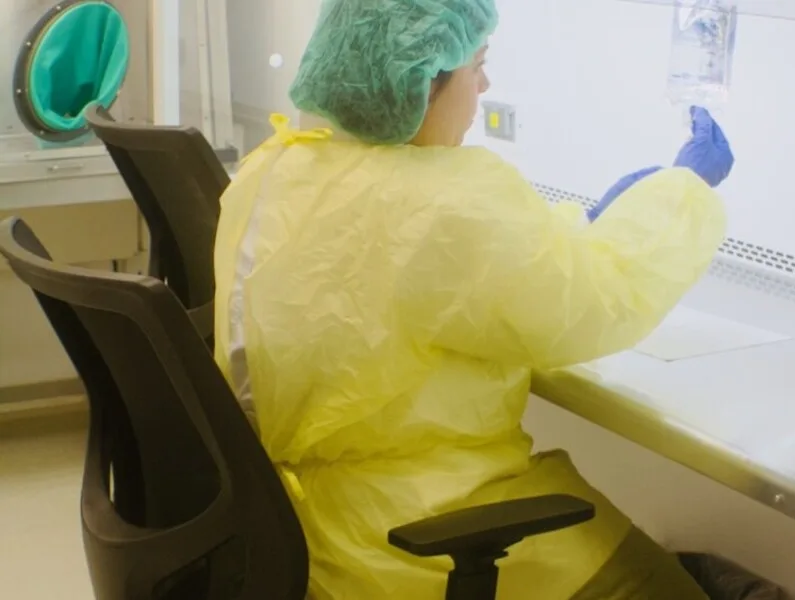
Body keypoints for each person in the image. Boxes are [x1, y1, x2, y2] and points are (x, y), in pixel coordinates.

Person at [213, 1, 738, 598]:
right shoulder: (442, 201)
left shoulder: (272, 168)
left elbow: (478, 264)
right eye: (477, 65)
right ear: (420, 81)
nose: (485, 86)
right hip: (418, 536)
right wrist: (684, 191)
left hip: (299, 532)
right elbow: (597, 303)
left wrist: (590, 223)